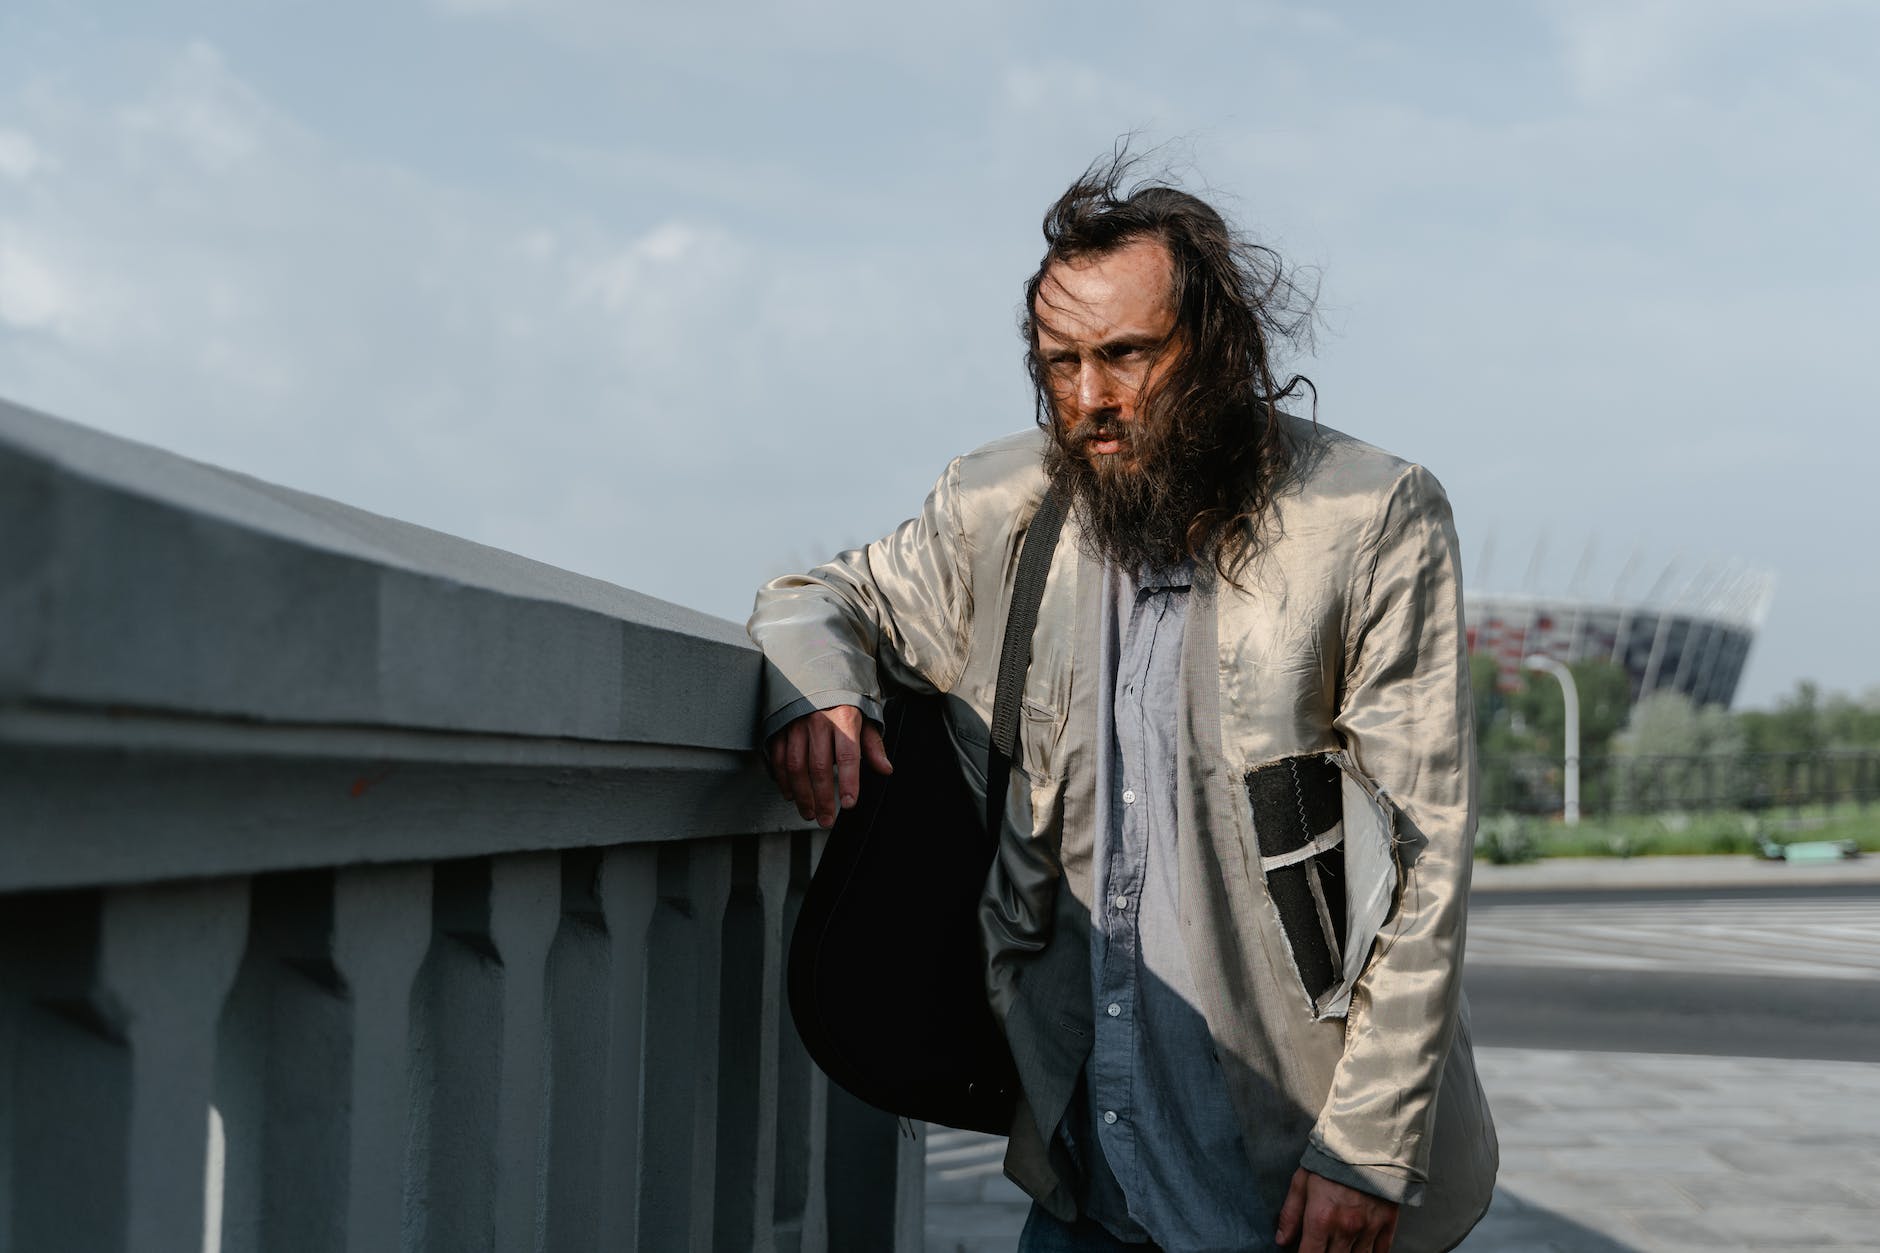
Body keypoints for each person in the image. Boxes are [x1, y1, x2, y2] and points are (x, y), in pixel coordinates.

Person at [749, 156, 1497, 1253]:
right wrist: (819, 693)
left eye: (1126, 355)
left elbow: (1424, 859)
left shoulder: (1368, 517)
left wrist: (1367, 1151)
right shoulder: (1000, 506)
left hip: (1293, 1178)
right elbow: (820, 597)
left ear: (1220, 347)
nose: (1090, 399)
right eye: (1059, 365)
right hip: (1085, 1177)